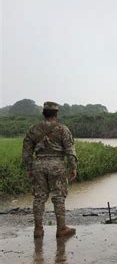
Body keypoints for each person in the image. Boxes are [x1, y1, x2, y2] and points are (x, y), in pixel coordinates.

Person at [22, 102, 77, 238]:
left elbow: (26, 150)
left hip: (38, 165)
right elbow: (70, 150)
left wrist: (29, 167)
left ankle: (38, 230)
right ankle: (61, 229)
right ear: (56, 114)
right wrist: (73, 167)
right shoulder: (63, 129)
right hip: (57, 165)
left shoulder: (33, 129)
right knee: (58, 197)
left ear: (43, 113)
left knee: (39, 197)